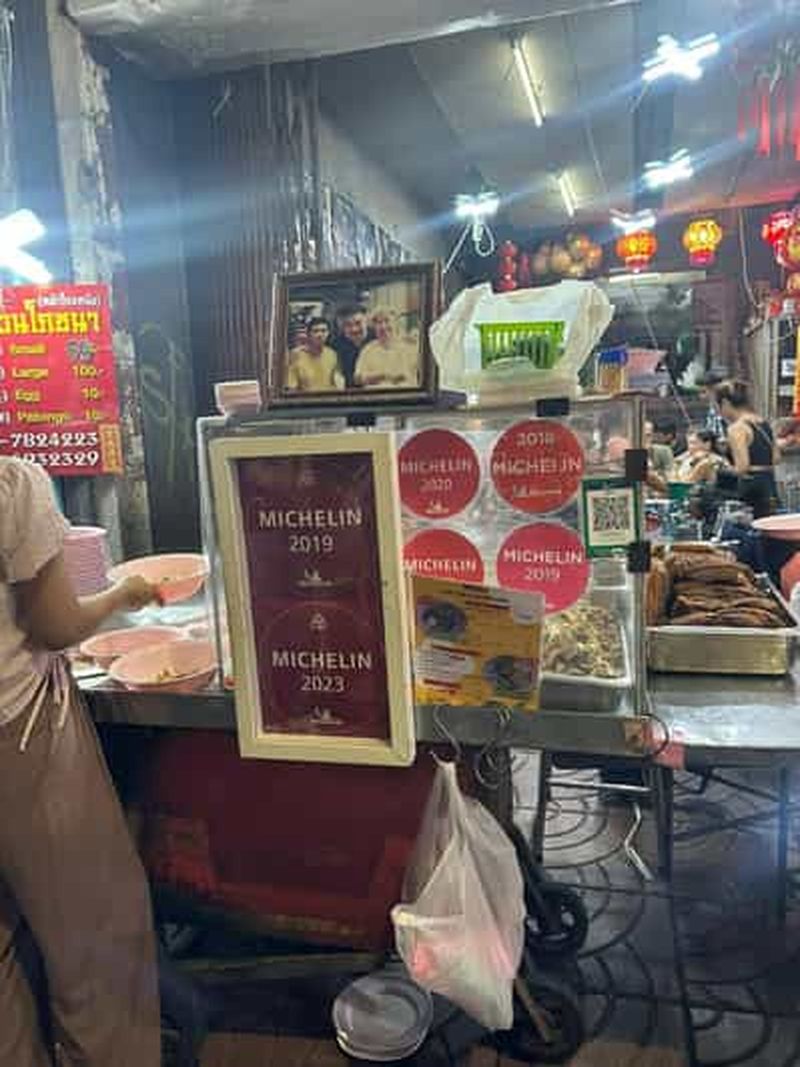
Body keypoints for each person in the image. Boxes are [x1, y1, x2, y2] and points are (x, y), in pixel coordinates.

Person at [0, 457, 162, 1067]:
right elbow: (55, 625)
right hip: (18, 736)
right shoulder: (13, 484)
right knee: (95, 931)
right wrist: (121, 594)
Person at [715, 379, 779, 518]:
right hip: (769, 483)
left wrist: (722, 468)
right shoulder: (763, 423)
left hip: (750, 488)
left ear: (725, 403)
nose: (719, 412)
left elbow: (742, 467)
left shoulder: (736, 428)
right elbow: (776, 458)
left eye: (718, 406)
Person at [354, 309, 419, 389]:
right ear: (374, 327)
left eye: (387, 321)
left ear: (396, 323)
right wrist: (384, 376)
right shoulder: (368, 349)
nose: (383, 326)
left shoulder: (410, 347)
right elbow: (358, 379)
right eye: (379, 323)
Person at [286, 317, 344, 393]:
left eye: (323, 331)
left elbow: (339, 384)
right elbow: (291, 388)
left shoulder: (332, 354)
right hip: (306, 399)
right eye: (315, 331)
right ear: (309, 334)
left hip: (329, 398)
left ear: (328, 333)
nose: (320, 335)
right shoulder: (296, 355)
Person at [331, 306, 370, 388]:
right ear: (341, 327)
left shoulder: (377, 339)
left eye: (358, 323)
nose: (354, 329)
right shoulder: (334, 346)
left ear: (366, 321)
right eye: (348, 325)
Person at [644, 419, 674, 495]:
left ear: (653, 436)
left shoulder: (664, 451)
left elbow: (670, 479)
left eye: (648, 435)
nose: (643, 439)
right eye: (640, 435)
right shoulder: (630, 454)